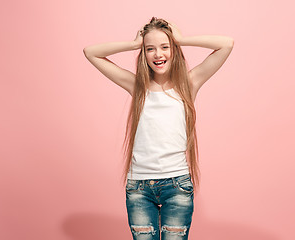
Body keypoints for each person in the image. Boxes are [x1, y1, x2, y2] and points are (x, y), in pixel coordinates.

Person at [83, 17, 234, 240]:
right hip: (139, 188)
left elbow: (226, 44)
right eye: (149, 49)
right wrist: (134, 44)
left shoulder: (188, 84)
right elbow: (90, 52)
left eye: (165, 47)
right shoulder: (137, 86)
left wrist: (181, 39)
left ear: (174, 49)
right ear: (143, 54)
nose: (158, 54)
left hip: (177, 185)